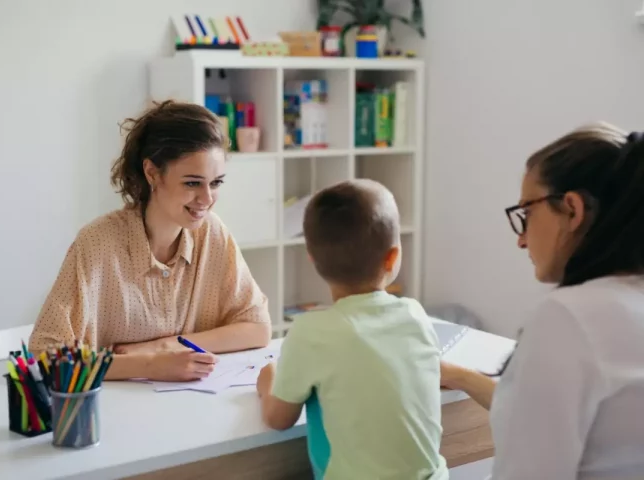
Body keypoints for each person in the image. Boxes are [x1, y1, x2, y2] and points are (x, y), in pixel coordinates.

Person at [441, 123, 644, 478]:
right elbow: (548, 411)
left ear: (572, 209)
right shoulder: (628, 302)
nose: (521, 240)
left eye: (526, 213)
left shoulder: (571, 319)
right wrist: (460, 377)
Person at [29, 100, 271, 382]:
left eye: (216, 183)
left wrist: (166, 345)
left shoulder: (212, 234)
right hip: (113, 413)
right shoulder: (97, 243)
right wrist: (150, 366)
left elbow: (257, 328)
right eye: (192, 183)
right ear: (152, 173)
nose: (207, 199)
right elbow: (46, 358)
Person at [256, 179, 449, 480]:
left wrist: (268, 380)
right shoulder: (415, 314)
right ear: (393, 257)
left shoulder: (310, 333)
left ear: (312, 259)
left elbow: (278, 418)